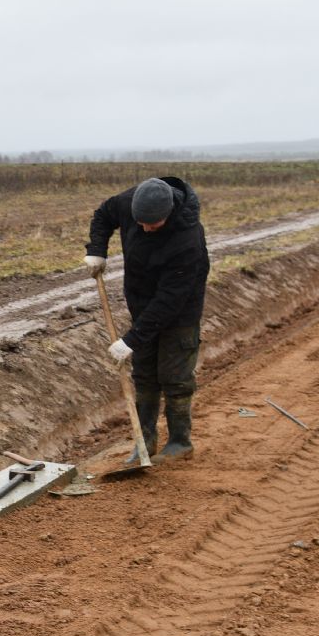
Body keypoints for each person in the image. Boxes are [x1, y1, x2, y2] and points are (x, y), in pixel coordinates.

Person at [83, 176, 209, 461]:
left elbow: (170, 300)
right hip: (141, 302)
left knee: (175, 377)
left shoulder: (187, 239)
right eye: (140, 223)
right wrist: (97, 250)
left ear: (168, 214)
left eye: (153, 224)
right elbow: (104, 215)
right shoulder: (130, 203)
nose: (145, 229)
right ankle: (144, 442)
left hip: (180, 310)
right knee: (144, 375)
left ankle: (180, 442)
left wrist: (131, 339)